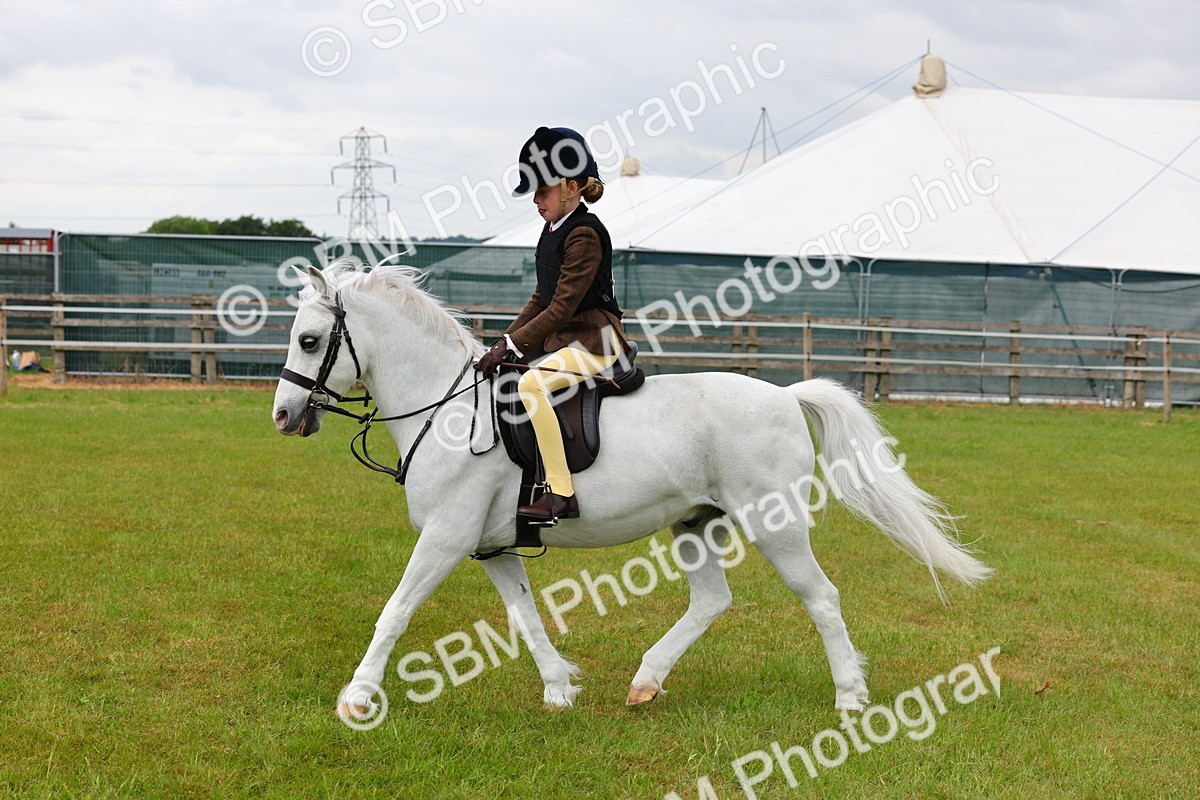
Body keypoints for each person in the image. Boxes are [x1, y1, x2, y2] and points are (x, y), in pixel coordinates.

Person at [476, 126, 629, 525]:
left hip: (598, 343)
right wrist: (504, 342)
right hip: (567, 339)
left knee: (531, 384)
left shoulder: (585, 234)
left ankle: (561, 494)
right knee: (510, 374)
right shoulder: (551, 230)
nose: (535, 200)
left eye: (541, 191)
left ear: (570, 187)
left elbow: (561, 308)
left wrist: (512, 344)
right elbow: (541, 298)